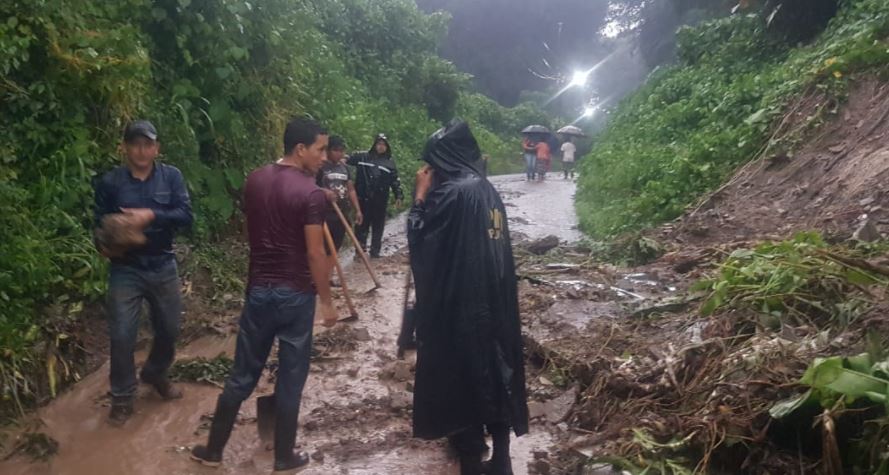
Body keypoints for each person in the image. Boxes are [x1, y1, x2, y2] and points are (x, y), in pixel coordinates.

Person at [191, 117, 338, 473]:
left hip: (258, 291)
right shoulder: (310, 193)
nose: (324, 157)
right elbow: (315, 254)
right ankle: (284, 457)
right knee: (291, 377)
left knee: (242, 375)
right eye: (319, 150)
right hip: (295, 295)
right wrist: (328, 301)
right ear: (300, 149)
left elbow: (252, 232)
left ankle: (212, 451)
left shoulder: (254, 180)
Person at [408, 119, 529, 475]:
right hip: (495, 303)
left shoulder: (451, 194)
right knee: (496, 372)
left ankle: (473, 461)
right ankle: (502, 459)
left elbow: (420, 239)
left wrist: (419, 196)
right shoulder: (487, 189)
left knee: (460, 379)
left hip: (460, 308)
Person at [93, 120, 193, 426]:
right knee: (122, 334)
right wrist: (107, 245)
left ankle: (155, 372)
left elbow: (186, 216)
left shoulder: (171, 177)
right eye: (135, 143)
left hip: (162, 264)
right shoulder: (110, 183)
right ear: (124, 148)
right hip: (126, 268)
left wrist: (151, 215)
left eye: (147, 144)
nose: (141, 150)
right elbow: (98, 225)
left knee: (170, 328)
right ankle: (122, 397)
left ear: (156, 148)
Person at [347, 134, 404, 258]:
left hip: (380, 200)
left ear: (387, 147)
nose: (381, 147)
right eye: (379, 143)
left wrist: (399, 196)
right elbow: (345, 159)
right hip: (363, 199)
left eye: (384, 144)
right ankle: (359, 251)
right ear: (374, 144)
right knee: (361, 224)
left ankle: (375, 251)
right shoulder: (363, 157)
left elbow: (395, 181)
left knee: (378, 226)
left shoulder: (389, 163)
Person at [317, 135, 363, 279]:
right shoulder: (321, 167)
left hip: (342, 213)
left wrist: (358, 210)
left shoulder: (345, 168)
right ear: (329, 151)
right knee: (322, 247)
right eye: (336, 150)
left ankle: (329, 277)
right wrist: (324, 192)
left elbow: (351, 189)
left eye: (342, 151)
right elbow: (310, 187)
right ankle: (318, 277)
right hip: (325, 213)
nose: (340, 154)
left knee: (335, 247)